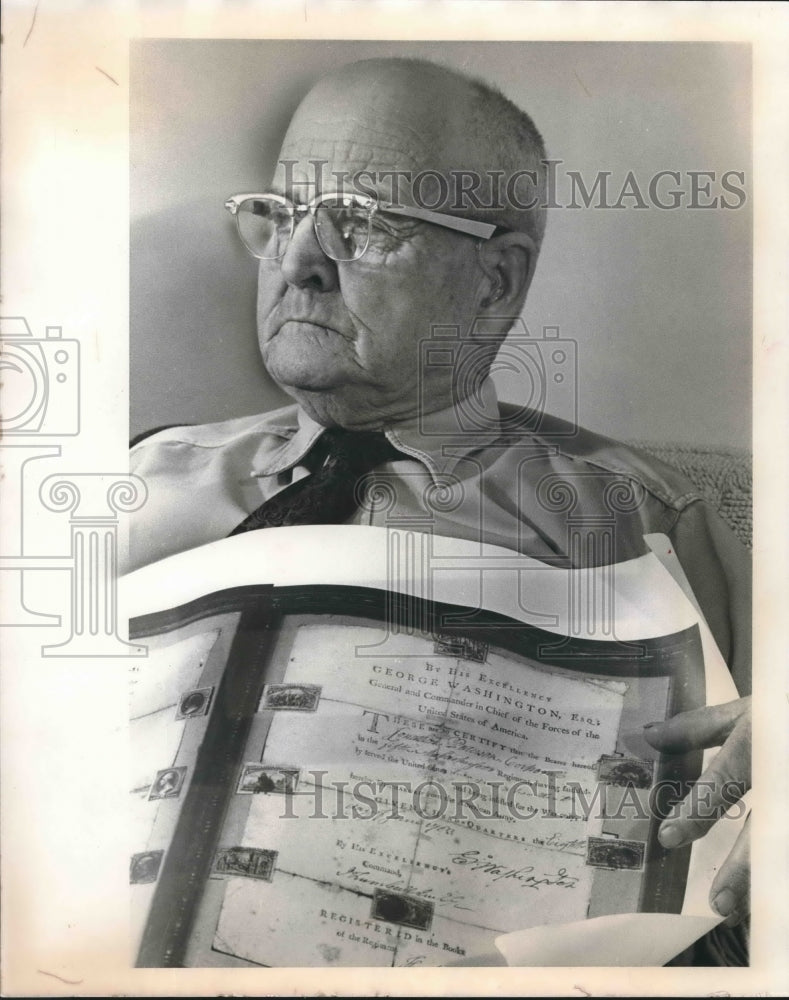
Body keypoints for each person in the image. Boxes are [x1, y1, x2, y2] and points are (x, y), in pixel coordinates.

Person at [127, 57, 751, 964]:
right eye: (284, 213)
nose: (299, 263)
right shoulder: (134, 479)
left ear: (493, 282)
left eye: (362, 223)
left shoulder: (638, 519)